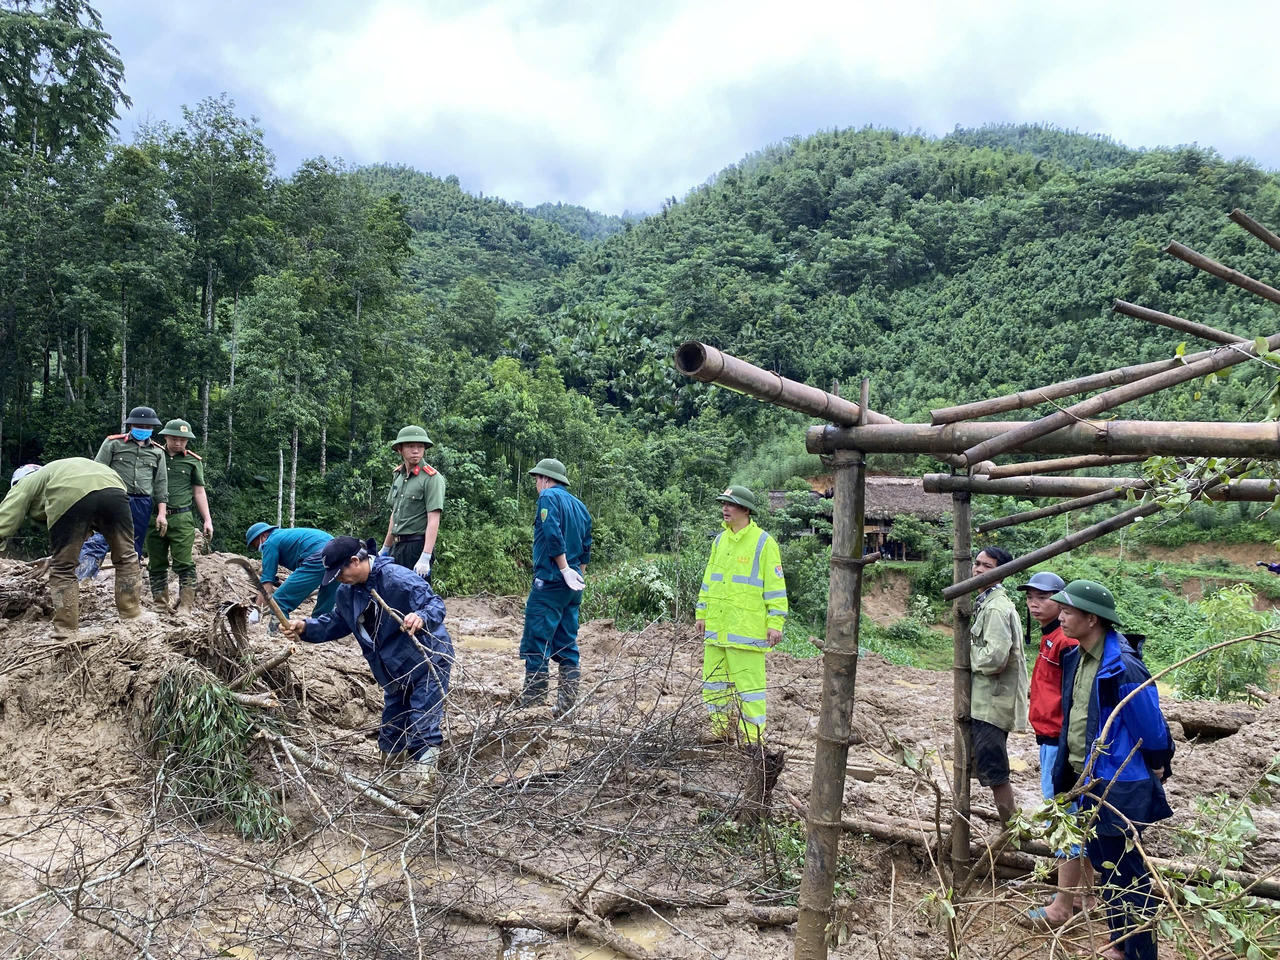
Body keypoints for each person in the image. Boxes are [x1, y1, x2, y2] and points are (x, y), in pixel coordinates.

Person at [1051, 579, 1173, 960]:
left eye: (1069, 611)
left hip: (1118, 782)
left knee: (1127, 872)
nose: (1062, 617)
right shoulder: (1077, 657)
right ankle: (1120, 942)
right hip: (1085, 779)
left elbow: (1151, 729)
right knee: (1105, 865)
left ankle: (1139, 951)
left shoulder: (1123, 666)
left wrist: (1157, 764)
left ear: (1092, 618)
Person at [282, 536, 453, 800]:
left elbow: (435, 605)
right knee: (392, 726)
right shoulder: (347, 592)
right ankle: (391, 783)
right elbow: (338, 622)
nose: (339, 579)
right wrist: (306, 627)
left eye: (340, 573)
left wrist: (420, 616)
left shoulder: (397, 579)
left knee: (422, 722)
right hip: (391, 670)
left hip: (427, 661)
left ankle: (423, 791)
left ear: (355, 561)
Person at [1015, 571, 1093, 929]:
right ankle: (1084, 897)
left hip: (1060, 742)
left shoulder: (1066, 641)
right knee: (1078, 816)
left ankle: (1062, 907)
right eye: (1030, 596)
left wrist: (1065, 743)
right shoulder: (1051, 637)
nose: (1035, 602)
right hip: (1050, 739)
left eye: (1043, 597)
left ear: (1063, 601)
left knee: (1065, 820)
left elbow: (1076, 698)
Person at [0, 459, 146, 635]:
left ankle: (66, 629)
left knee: (63, 569)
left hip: (71, 494)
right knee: (126, 556)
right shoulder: (59, 471)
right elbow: (87, 523)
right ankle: (132, 616)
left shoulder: (25, 482)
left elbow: (5, 519)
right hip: (114, 487)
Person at [695, 485, 788, 744]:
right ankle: (720, 730)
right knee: (713, 684)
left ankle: (752, 740)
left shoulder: (763, 543)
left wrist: (775, 622)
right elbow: (709, 581)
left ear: (746, 510)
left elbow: (775, 587)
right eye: (723, 503)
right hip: (716, 627)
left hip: (746, 630)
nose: (725, 508)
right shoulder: (719, 541)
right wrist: (701, 613)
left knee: (750, 689)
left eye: (731, 504)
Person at [519, 458, 592, 716]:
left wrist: (562, 569)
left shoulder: (548, 497)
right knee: (566, 643)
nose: (537, 485)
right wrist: (576, 576)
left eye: (537, 479)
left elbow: (552, 533)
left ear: (546, 479)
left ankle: (533, 706)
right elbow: (586, 547)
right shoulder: (581, 507)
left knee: (536, 640)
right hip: (571, 589)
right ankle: (566, 706)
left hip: (550, 581)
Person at [969, 546, 1029, 825]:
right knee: (988, 765)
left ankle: (1012, 829)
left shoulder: (995, 608)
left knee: (995, 770)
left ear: (1002, 572)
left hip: (991, 704)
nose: (978, 569)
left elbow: (994, 659)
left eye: (987, 566)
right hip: (987, 702)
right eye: (977, 563)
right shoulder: (987, 602)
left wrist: (967, 656)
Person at [76, 406, 169, 581]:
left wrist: (162, 514)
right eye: (139, 425)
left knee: (132, 548)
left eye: (147, 426)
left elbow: (161, 484)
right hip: (115, 498)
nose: (143, 429)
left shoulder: (157, 452)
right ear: (131, 426)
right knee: (100, 539)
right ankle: (81, 579)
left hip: (142, 503)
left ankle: (128, 589)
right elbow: (96, 472)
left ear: (152, 429)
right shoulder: (113, 443)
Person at [146, 419, 213, 612]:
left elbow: (199, 492)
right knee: (156, 563)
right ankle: (160, 605)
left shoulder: (193, 461)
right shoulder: (154, 454)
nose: (178, 443)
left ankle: (185, 606)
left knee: (185, 563)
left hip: (181, 517)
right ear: (165, 436)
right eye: (174, 439)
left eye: (183, 440)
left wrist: (207, 520)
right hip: (154, 517)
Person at [380, 425, 445, 580]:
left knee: (417, 598)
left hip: (416, 547)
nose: (416, 450)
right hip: (397, 546)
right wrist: (385, 547)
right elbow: (394, 515)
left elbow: (434, 519)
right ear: (400, 449)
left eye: (420, 446)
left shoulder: (432, 478)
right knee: (393, 595)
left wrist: (425, 556)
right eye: (410, 446)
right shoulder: (398, 476)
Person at [245, 523, 336, 623]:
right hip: (338, 555)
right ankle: (321, 630)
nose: (258, 548)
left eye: (256, 544)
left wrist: (257, 610)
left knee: (279, 602)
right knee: (326, 601)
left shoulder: (270, 542)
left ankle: (276, 633)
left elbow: (267, 582)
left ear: (264, 535)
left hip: (318, 558)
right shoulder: (284, 536)